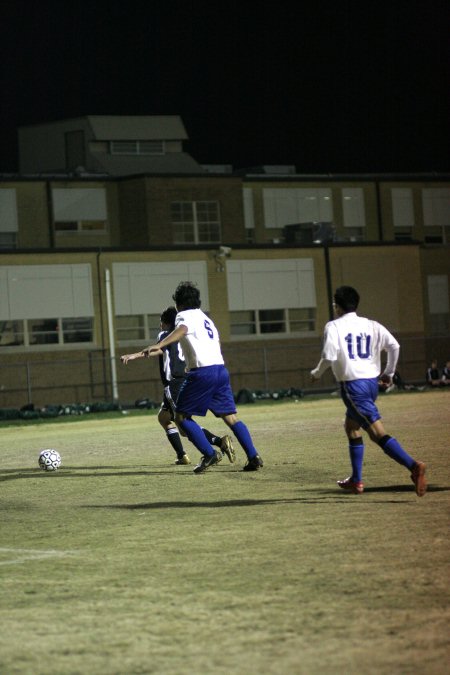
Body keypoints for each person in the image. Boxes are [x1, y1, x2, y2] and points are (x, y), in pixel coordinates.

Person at [310, 285, 427, 497]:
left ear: (337, 306)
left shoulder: (333, 326)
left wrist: (316, 373)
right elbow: (395, 346)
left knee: (377, 434)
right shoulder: (372, 325)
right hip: (371, 385)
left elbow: (328, 357)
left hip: (353, 386)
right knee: (351, 427)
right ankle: (356, 480)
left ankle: (413, 466)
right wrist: (389, 373)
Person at [140, 281, 263, 474]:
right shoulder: (206, 319)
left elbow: (181, 331)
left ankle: (209, 453)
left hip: (201, 372)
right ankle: (253, 455)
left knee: (180, 417)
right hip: (220, 370)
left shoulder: (183, 315)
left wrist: (159, 345)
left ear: (179, 303)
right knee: (231, 417)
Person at [121, 306, 235, 466]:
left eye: (161, 322)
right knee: (164, 418)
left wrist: (133, 356)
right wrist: (136, 355)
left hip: (174, 384)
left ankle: (219, 442)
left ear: (166, 323)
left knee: (183, 425)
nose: (160, 325)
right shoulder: (183, 336)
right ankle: (182, 455)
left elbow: (159, 348)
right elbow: (163, 351)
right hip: (186, 379)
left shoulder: (165, 335)